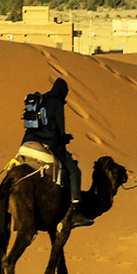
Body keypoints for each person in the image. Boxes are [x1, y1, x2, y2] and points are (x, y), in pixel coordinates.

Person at [21, 78, 91, 228]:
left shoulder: (42, 100)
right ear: (63, 92)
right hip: (48, 144)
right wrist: (65, 138)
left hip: (26, 142)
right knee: (74, 171)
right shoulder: (57, 102)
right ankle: (76, 211)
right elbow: (59, 130)